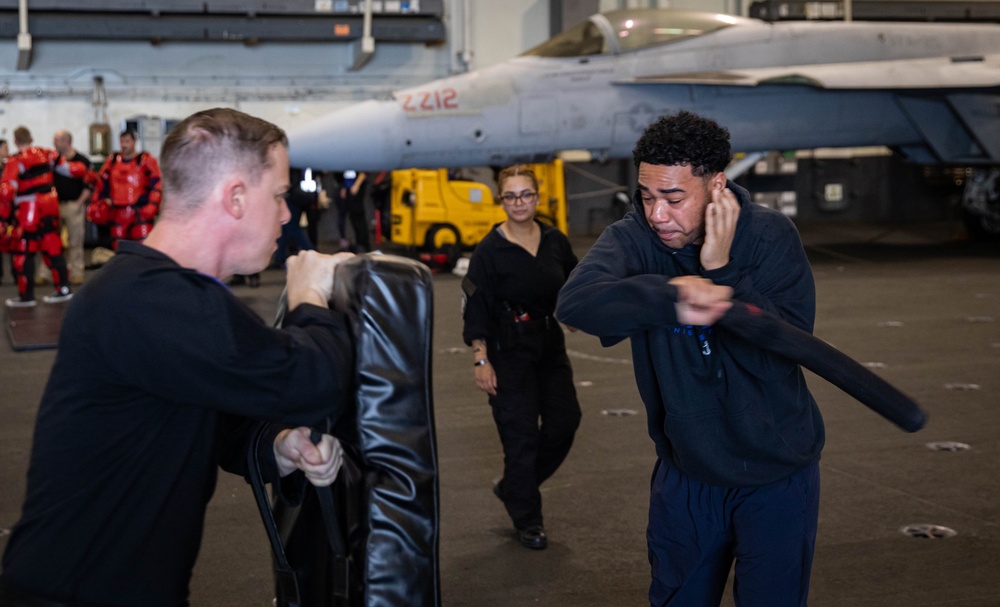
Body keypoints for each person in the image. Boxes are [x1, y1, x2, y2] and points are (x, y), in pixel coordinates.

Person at [0, 108, 356, 607]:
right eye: (277, 196)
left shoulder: (151, 292)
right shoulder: (157, 300)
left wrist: (279, 444)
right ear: (235, 197)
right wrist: (309, 298)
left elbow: (218, 420)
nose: (286, 215)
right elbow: (314, 377)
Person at [556, 111, 824, 606]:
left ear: (717, 184)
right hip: (688, 473)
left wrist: (722, 273)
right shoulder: (635, 238)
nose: (658, 214)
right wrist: (672, 294)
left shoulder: (769, 237)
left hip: (777, 473)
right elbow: (575, 304)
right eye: (647, 195)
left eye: (674, 198)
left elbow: (785, 346)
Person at [461, 164, 581, 550]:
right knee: (521, 436)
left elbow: (576, 281)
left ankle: (515, 486)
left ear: (537, 197)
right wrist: (481, 359)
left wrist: (576, 311)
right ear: (501, 200)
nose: (519, 202)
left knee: (565, 422)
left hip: (548, 344)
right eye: (510, 196)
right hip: (507, 349)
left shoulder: (555, 241)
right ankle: (528, 519)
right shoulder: (488, 251)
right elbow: (474, 306)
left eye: (525, 194)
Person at [0, 126, 87, 307]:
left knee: (24, 251)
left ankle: (26, 297)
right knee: (53, 248)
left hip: (28, 212)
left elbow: (7, 192)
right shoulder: (47, 154)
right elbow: (74, 170)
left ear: (15, 142)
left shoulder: (15, 161)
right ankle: (63, 289)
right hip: (50, 208)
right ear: (31, 138)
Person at [87, 129, 163, 249]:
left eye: (127, 141)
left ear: (134, 142)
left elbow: (157, 184)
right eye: (122, 141)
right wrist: (97, 205)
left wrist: (152, 205)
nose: (124, 145)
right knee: (120, 249)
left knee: (144, 248)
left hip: (139, 212)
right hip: (117, 213)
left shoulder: (145, 161)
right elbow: (101, 185)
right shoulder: (112, 162)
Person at [51, 129, 93, 285]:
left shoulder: (82, 160)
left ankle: (76, 272)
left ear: (65, 141)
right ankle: (47, 272)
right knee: (51, 241)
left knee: (75, 241)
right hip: (54, 206)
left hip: (73, 205)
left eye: (56, 140)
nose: (54, 143)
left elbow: (89, 184)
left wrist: (79, 203)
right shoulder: (53, 161)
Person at [340, 170, 370, 252]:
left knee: (359, 217)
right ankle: (360, 245)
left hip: (356, 189)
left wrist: (357, 184)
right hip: (350, 188)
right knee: (353, 217)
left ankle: (365, 247)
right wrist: (345, 187)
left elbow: (365, 170)